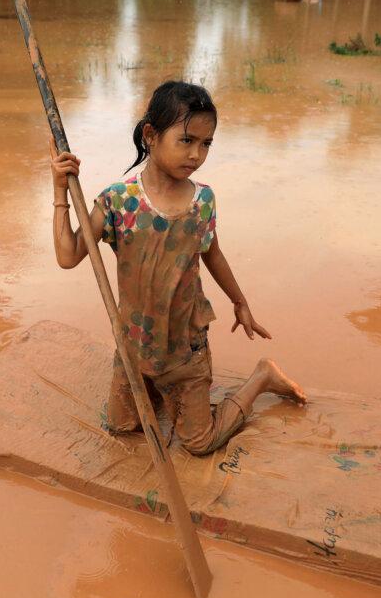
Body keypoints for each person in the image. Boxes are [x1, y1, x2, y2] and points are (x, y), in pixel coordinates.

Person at [49, 80, 307, 456]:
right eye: (186, 140)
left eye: (206, 144)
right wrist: (60, 191)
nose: (196, 155)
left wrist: (240, 302)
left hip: (185, 346)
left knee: (199, 444)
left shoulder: (202, 200)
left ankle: (262, 376)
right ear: (151, 136)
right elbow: (68, 255)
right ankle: (154, 388)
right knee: (121, 427)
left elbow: (213, 254)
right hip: (135, 344)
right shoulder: (117, 201)